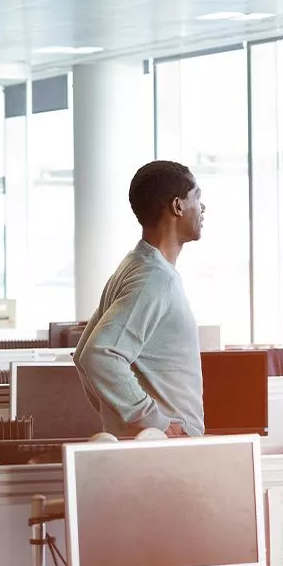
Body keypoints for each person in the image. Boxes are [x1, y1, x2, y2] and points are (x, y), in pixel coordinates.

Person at [74, 160, 205, 438]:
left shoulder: (136, 265)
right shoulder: (155, 278)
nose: (202, 208)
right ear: (178, 206)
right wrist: (155, 423)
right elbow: (98, 356)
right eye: (197, 197)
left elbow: (84, 354)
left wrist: (119, 418)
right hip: (163, 449)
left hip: (149, 444)